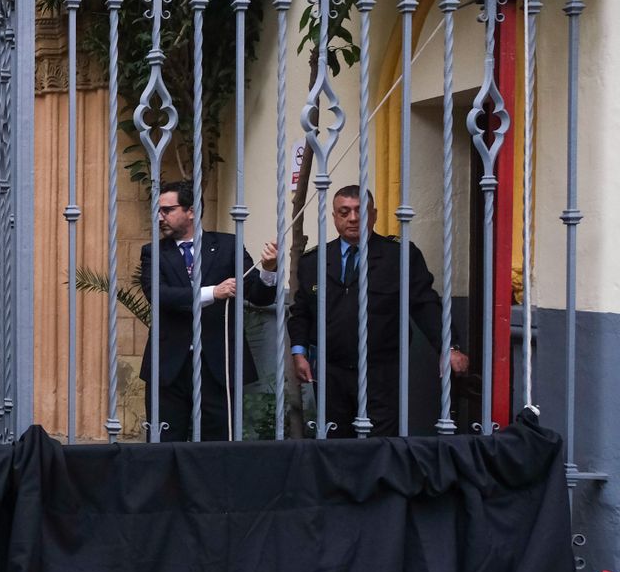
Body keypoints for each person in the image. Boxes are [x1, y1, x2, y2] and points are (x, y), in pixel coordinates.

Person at [287, 185, 466, 437]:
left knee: (380, 444)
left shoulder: (399, 256)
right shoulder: (313, 261)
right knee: (335, 443)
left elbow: (425, 304)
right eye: (344, 212)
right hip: (331, 372)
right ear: (335, 217)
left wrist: (449, 347)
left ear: (374, 215)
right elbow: (302, 312)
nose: (353, 218)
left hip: (382, 372)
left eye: (360, 211)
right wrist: (299, 352)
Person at [138, 180, 278, 442]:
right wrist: (213, 292)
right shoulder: (153, 252)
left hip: (217, 364)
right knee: (163, 442)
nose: (160, 217)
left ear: (191, 211)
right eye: (157, 211)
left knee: (218, 443)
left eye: (167, 210)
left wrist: (269, 270)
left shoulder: (227, 245)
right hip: (170, 365)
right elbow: (158, 295)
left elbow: (258, 296)